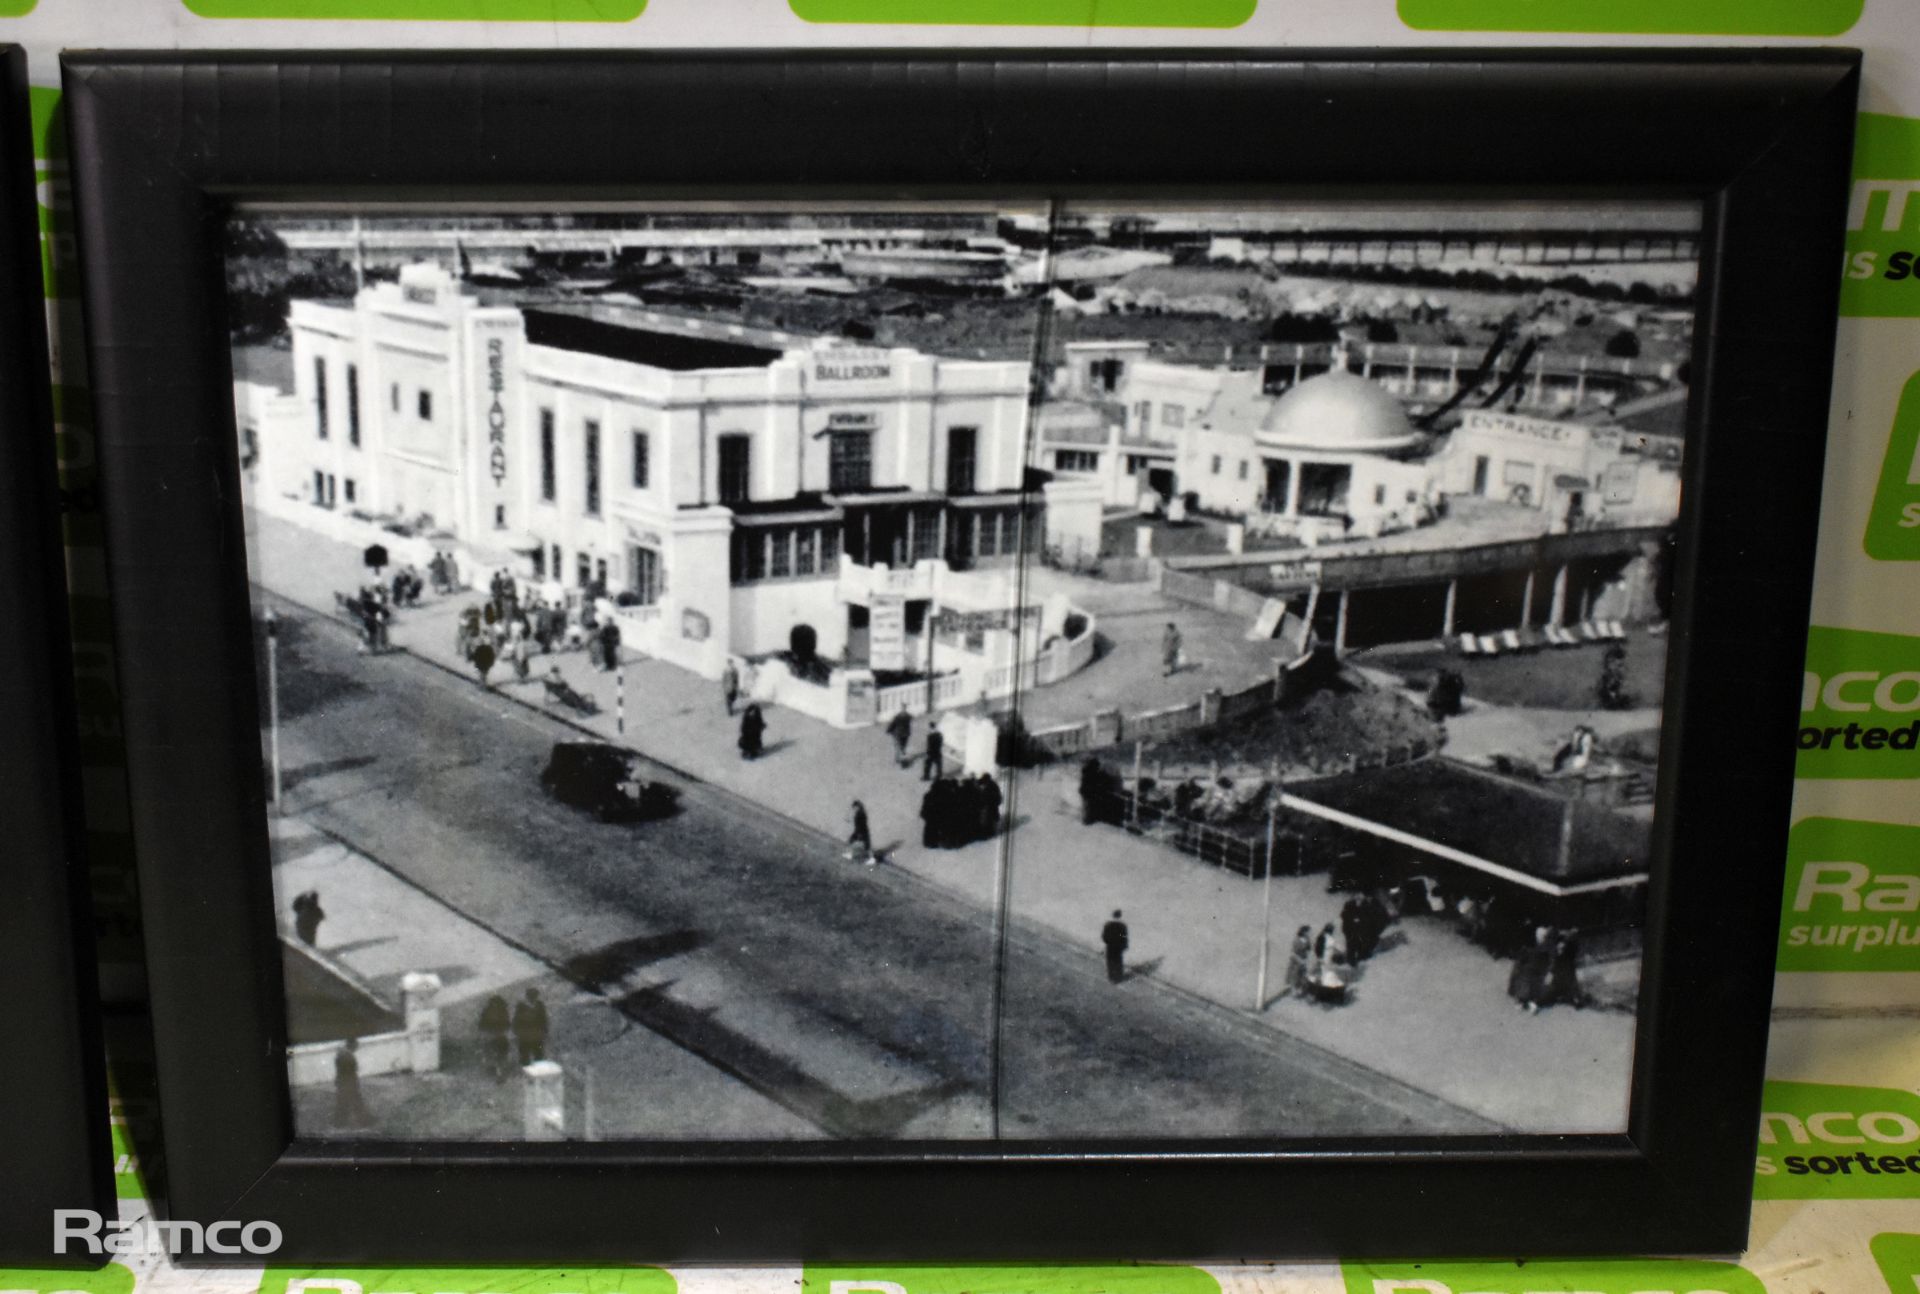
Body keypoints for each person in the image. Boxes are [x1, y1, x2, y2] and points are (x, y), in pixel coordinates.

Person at [1509, 925, 1555, 1014]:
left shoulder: (1546, 950)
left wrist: (1548, 969)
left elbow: (1549, 961)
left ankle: (1532, 1001)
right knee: (1525, 984)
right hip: (1528, 972)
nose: (1544, 940)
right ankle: (1522, 1001)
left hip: (1538, 972)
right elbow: (1520, 963)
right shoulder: (1529, 949)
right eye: (1543, 937)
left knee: (1535, 986)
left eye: (1545, 938)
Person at [333, 1038, 370, 1128]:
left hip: (343, 1081)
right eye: (356, 1046)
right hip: (348, 1082)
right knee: (354, 1101)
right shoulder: (347, 1056)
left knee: (344, 1102)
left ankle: (340, 1122)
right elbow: (352, 1070)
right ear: (352, 1045)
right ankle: (363, 1121)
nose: (357, 1048)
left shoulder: (342, 1053)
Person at [478, 994, 511, 1083]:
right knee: (500, 1056)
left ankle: (495, 1070)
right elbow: (507, 1025)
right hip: (499, 1037)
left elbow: (481, 1025)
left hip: (491, 1037)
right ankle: (499, 1072)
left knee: (492, 1054)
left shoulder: (487, 1011)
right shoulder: (503, 1011)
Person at [511, 988, 548, 1065]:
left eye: (534, 995)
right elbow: (516, 1020)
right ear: (527, 996)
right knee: (526, 1056)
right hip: (526, 1036)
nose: (533, 997)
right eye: (531, 995)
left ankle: (538, 1071)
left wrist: (544, 1031)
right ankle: (527, 1071)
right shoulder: (521, 1006)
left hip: (535, 1035)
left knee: (537, 1056)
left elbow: (543, 1020)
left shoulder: (539, 1005)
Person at [1101, 909, 1129, 984]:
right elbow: (1124, 937)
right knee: (1118, 961)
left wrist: (1107, 942)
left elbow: (1104, 936)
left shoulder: (1108, 925)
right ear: (1120, 916)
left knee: (1110, 961)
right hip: (1118, 947)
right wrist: (1125, 945)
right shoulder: (1123, 926)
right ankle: (1118, 977)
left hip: (1110, 946)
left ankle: (1111, 977)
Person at [1285, 925, 1313, 997]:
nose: (1310, 933)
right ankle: (1293, 990)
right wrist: (1300, 960)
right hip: (1296, 961)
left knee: (1302, 975)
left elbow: (1309, 949)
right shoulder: (1296, 940)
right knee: (1294, 976)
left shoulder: (1307, 939)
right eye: (1308, 932)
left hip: (1303, 959)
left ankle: (1299, 989)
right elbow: (1293, 953)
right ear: (1304, 932)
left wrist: (1306, 959)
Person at [846, 799, 874, 866]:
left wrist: (859, 833)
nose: (854, 809)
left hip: (862, 831)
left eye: (854, 807)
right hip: (860, 831)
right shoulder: (860, 812)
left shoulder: (860, 814)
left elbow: (861, 824)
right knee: (851, 841)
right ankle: (850, 854)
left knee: (867, 846)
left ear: (857, 806)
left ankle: (872, 859)